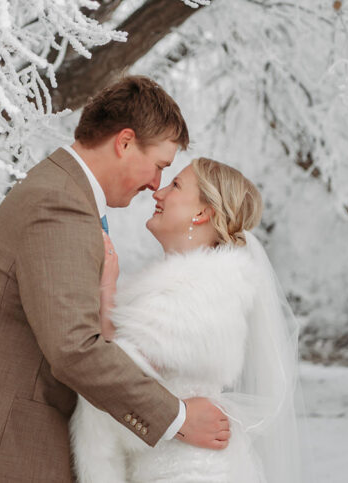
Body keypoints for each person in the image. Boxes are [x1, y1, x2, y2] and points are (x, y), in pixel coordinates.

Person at [0, 77, 232, 482]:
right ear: (125, 142)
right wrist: (177, 418)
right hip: (9, 450)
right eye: (159, 165)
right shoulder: (60, 203)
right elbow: (74, 348)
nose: (155, 184)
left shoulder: (63, 193)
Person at [71, 158, 301, 482]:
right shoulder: (189, 288)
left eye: (175, 185)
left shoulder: (201, 292)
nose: (158, 193)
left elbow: (114, 378)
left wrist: (107, 290)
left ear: (202, 212)